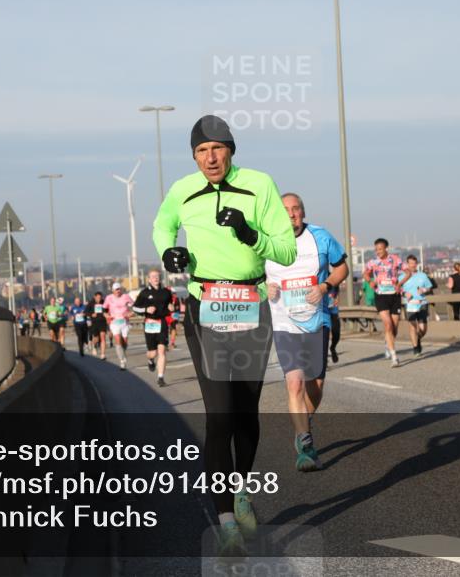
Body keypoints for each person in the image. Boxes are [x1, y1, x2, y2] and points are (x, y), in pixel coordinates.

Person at [153, 114, 296, 556]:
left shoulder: (259, 185)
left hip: (251, 305)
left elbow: (286, 250)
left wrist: (249, 233)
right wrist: (169, 252)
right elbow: (163, 225)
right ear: (193, 156)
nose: (210, 158)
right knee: (218, 414)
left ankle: (238, 488)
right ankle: (227, 521)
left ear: (230, 150)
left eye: (217, 149)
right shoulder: (182, 190)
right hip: (205, 305)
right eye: (201, 151)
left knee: (245, 413)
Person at [265, 193, 348, 472]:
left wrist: (325, 287)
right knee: (295, 383)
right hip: (283, 321)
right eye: (285, 209)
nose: (291, 214)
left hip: (317, 320)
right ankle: (305, 443)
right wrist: (265, 285)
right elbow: (251, 275)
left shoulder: (320, 236)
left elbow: (342, 267)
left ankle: (304, 423)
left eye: (296, 209)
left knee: (316, 385)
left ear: (303, 211)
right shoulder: (266, 239)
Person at [363, 238, 404, 366]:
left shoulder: (395, 259)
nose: (378, 252)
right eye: (376, 249)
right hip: (380, 295)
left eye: (380, 249)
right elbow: (365, 273)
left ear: (386, 248)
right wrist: (370, 281)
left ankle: (388, 342)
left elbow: (407, 272)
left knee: (394, 327)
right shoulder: (373, 262)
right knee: (387, 325)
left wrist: (400, 284)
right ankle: (394, 356)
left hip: (394, 295)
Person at [133, 269, 175, 387]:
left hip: (162, 323)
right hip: (150, 323)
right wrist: (146, 310)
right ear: (149, 279)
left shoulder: (166, 292)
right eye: (153, 276)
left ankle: (160, 377)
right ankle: (150, 360)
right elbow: (135, 308)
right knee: (153, 353)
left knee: (162, 351)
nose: (156, 278)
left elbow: (170, 304)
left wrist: (171, 307)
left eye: (157, 276)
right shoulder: (144, 293)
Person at [399, 255, 434, 356]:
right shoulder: (402, 276)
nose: (412, 265)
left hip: (422, 303)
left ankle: (418, 339)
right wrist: (404, 294)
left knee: (423, 329)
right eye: (410, 263)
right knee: (412, 326)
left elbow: (429, 288)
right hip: (409, 304)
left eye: (414, 263)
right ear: (407, 264)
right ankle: (415, 347)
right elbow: (397, 288)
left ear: (416, 264)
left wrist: (424, 290)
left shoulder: (422, 275)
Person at [103, 282, 134, 370]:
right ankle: (122, 361)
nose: (118, 291)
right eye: (116, 289)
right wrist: (106, 315)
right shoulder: (109, 298)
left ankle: (123, 354)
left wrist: (131, 313)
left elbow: (133, 307)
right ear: (112, 290)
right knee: (117, 340)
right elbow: (104, 309)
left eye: (119, 289)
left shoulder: (126, 297)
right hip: (114, 322)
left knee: (124, 342)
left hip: (125, 322)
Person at [86, 291, 109, 359]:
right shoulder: (91, 303)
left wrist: (107, 314)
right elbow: (86, 312)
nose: (99, 299)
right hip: (94, 322)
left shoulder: (104, 302)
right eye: (98, 298)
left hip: (102, 322)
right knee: (96, 338)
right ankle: (94, 346)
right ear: (94, 297)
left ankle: (103, 354)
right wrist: (91, 314)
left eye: (100, 297)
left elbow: (108, 310)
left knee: (103, 337)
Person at [327, 284, 341, 363]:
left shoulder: (333, 281)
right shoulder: (318, 278)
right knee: (324, 335)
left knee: (336, 334)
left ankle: (332, 348)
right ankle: (324, 360)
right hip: (322, 311)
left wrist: (337, 299)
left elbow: (337, 294)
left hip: (333, 311)